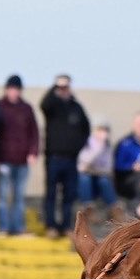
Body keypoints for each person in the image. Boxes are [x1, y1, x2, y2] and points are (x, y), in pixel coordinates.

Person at [39, 74, 90, 236]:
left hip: (71, 159)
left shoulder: (76, 107)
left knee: (69, 194)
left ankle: (66, 226)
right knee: (51, 194)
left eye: (65, 86)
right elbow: (44, 105)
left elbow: (86, 129)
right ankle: (51, 226)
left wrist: (77, 147)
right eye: (60, 87)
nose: (63, 90)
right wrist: (54, 87)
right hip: (54, 157)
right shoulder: (52, 106)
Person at [0, 75, 39, 235]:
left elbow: (34, 133)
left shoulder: (26, 109)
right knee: (3, 196)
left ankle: (19, 227)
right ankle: (3, 228)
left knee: (19, 197)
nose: (14, 92)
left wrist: (33, 152)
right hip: (4, 160)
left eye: (16, 89)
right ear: (6, 90)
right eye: (11, 89)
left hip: (22, 161)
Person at [76, 123, 116, 217]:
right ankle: (88, 208)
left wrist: (93, 169)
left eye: (105, 130)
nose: (103, 133)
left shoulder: (108, 146)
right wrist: (98, 148)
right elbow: (82, 166)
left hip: (100, 177)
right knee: (85, 179)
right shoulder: (86, 144)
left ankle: (114, 208)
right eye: (100, 130)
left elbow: (108, 168)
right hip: (86, 177)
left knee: (104, 180)